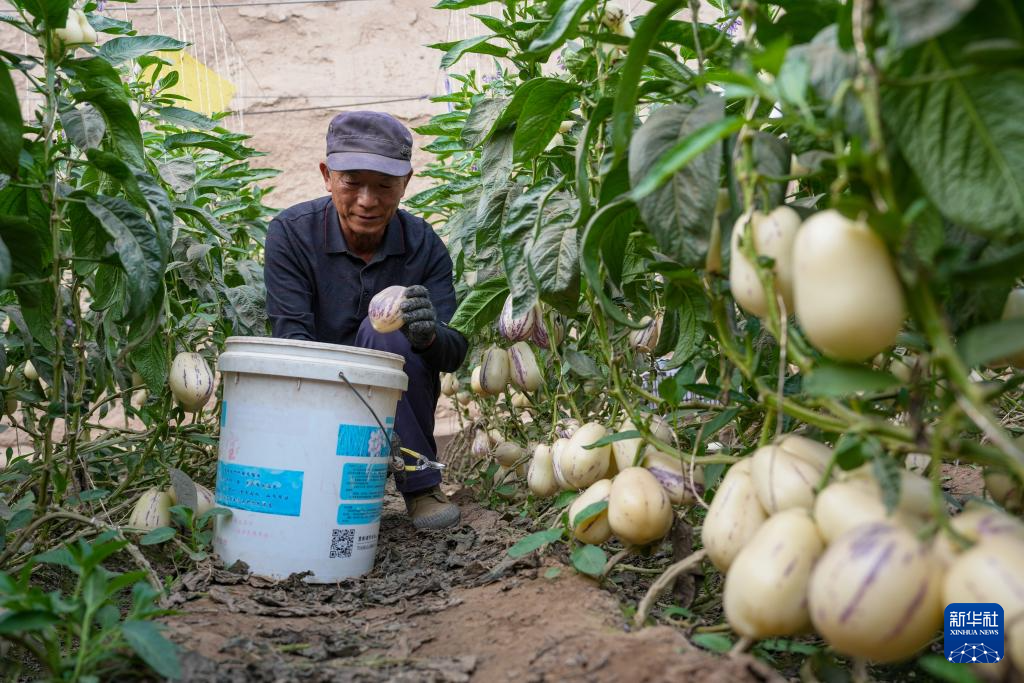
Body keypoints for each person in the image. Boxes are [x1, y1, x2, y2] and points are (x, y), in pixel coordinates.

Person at [263, 111, 467, 530]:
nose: (368, 200)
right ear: (327, 175)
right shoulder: (291, 234)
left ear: (406, 183)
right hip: (319, 389)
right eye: (352, 182)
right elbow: (292, 337)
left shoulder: (424, 245)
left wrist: (427, 335)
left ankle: (420, 485)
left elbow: (454, 353)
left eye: (385, 185)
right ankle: (312, 472)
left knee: (389, 332)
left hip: (393, 391)